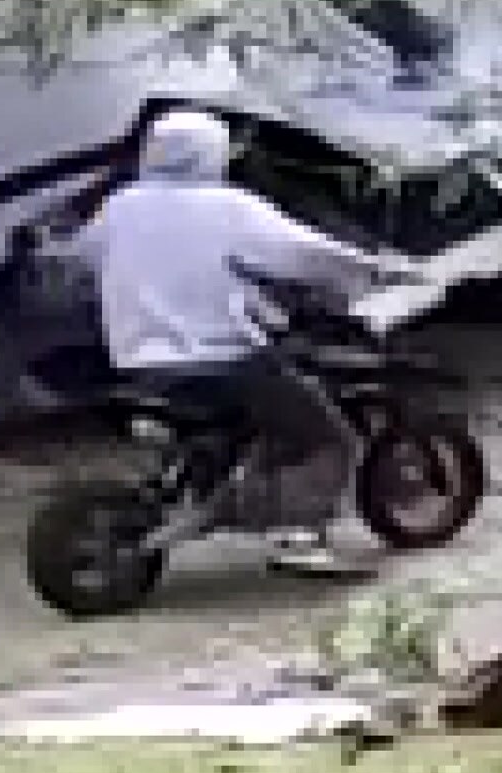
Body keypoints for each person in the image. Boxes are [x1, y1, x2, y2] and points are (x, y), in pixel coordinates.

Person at [62, 106, 415, 571]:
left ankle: (227, 495)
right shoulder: (227, 206)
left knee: (259, 418)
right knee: (329, 439)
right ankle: (298, 537)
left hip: (138, 365)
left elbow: (79, 261)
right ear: (212, 152)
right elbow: (302, 253)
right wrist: (374, 269)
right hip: (223, 362)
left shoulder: (119, 207)